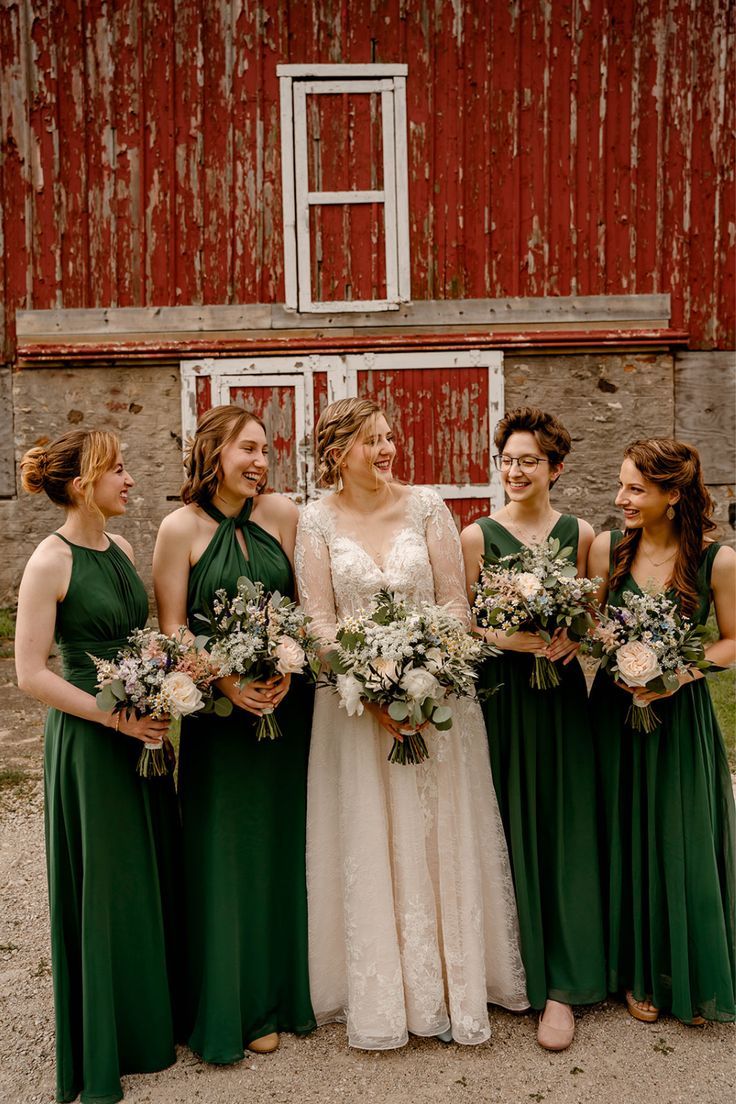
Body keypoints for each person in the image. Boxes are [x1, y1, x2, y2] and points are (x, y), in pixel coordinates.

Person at [294, 397, 527, 1050]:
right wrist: (370, 689)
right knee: (371, 836)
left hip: (439, 701)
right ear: (338, 453)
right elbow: (317, 619)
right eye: (371, 440)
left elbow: (454, 600)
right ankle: (383, 992)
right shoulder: (315, 521)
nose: (388, 448)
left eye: (390, 436)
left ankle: (455, 983)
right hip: (354, 710)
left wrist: (425, 681)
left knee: (440, 832)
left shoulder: (427, 506)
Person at [15, 430, 180, 1104]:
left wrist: (165, 691)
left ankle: (149, 1029)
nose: (131, 480)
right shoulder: (48, 563)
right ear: (83, 484)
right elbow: (29, 675)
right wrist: (114, 718)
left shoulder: (122, 548)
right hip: (91, 740)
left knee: (144, 875)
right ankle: (105, 1042)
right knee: (104, 885)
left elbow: (138, 640)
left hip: (141, 729)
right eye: (118, 470)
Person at [152, 404, 315, 1063]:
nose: (260, 461)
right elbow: (171, 627)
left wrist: (285, 662)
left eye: (267, 451)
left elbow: (306, 607)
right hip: (220, 721)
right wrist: (223, 680)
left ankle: (279, 994)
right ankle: (230, 1004)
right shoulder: (178, 527)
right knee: (224, 852)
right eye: (247, 448)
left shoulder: (284, 517)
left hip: (285, 707)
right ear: (212, 453)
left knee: (282, 846)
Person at [460, 407, 606, 1051]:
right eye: (508, 459)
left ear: (555, 468)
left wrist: (573, 637)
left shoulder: (582, 535)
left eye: (528, 461)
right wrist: (522, 639)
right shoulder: (477, 536)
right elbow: (468, 625)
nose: (515, 471)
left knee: (566, 823)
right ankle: (515, 970)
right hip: (505, 698)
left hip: (563, 700)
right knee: (508, 822)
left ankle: (567, 984)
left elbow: (595, 618)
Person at [588, 438, 736, 1025]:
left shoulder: (716, 560)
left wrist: (679, 673)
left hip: (680, 716)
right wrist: (611, 648)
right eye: (621, 484)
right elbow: (592, 624)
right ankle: (634, 973)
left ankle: (685, 969)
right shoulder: (607, 549)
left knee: (680, 837)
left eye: (635, 488)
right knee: (625, 833)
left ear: (672, 495)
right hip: (616, 714)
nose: (620, 497)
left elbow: (731, 639)